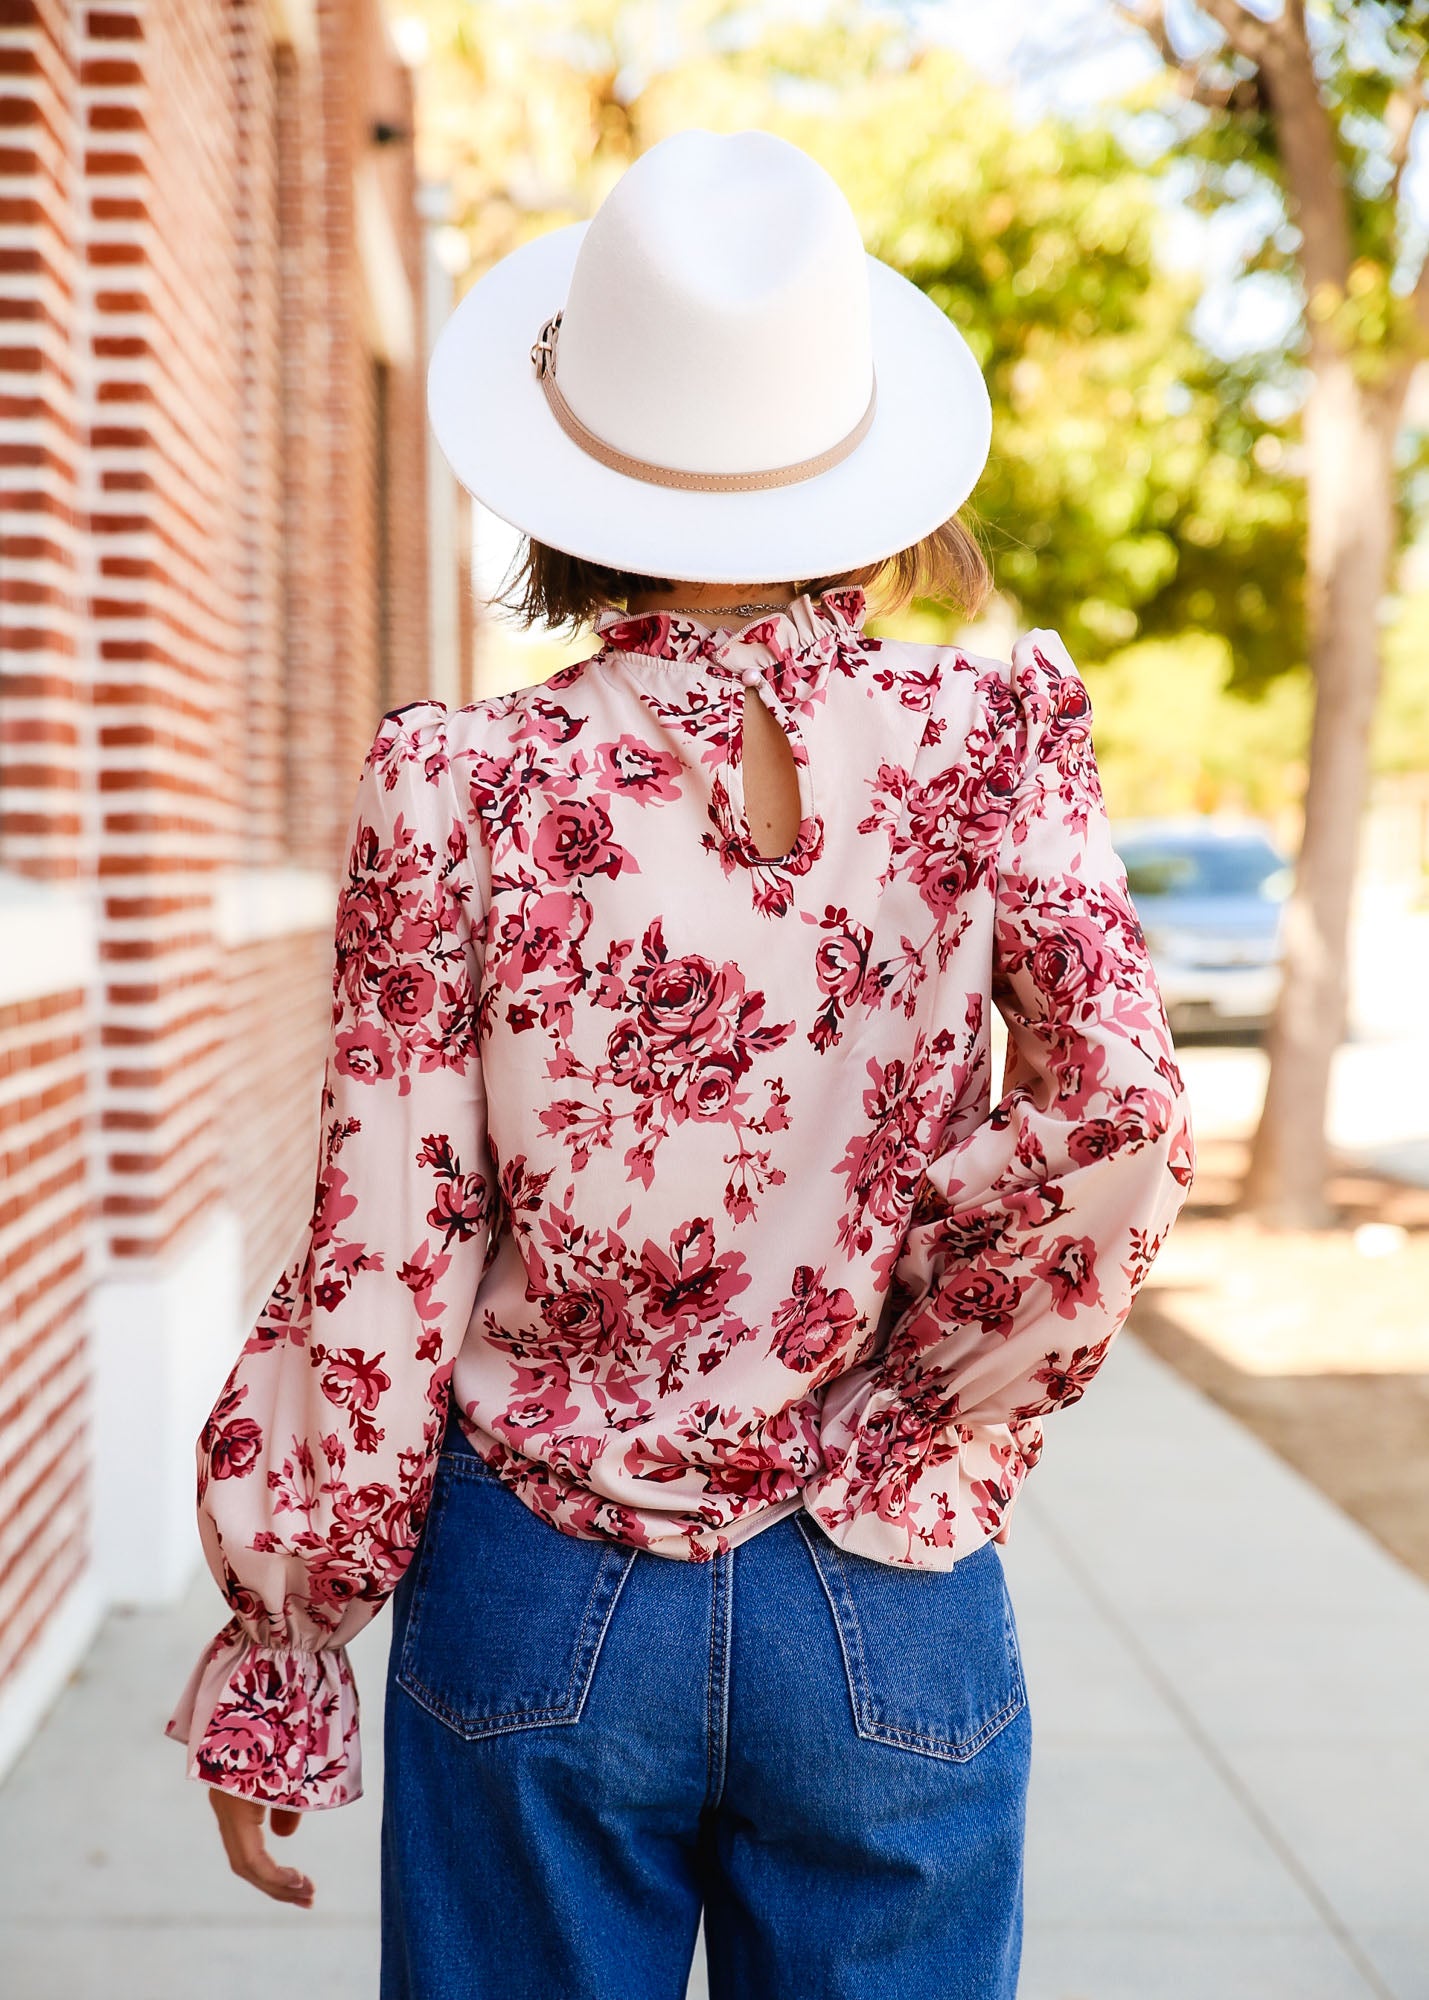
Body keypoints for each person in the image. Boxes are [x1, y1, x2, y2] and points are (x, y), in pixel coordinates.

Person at [169, 128, 1195, 1999]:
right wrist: (931, 1400)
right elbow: (1116, 1116)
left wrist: (287, 1634)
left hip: (536, 1587)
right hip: (886, 1592)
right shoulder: (998, 736)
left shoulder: (460, 783)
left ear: (567, 487)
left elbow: (385, 1244)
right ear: (879, 485)